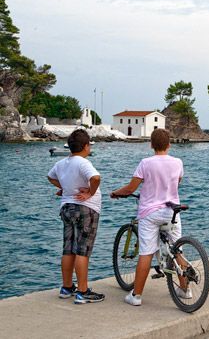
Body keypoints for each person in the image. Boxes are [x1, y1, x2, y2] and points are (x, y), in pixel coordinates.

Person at [111, 128, 187, 306]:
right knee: (177, 251)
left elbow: (131, 189)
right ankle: (185, 289)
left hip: (150, 213)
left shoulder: (145, 163)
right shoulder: (178, 162)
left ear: (151, 145)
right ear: (169, 144)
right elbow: (177, 182)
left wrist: (116, 193)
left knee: (146, 252)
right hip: (171, 212)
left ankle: (136, 296)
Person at [47, 129, 104, 304]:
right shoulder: (83, 162)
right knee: (82, 250)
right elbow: (95, 178)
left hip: (67, 208)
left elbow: (50, 177)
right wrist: (90, 193)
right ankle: (83, 291)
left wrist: (65, 187)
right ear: (86, 146)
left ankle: (66, 287)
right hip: (85, 209)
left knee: (68, 248)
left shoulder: (62, 163)